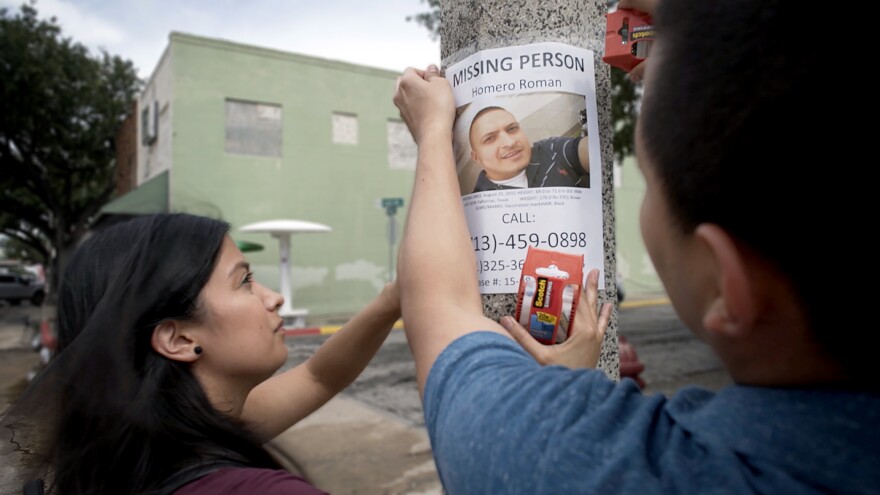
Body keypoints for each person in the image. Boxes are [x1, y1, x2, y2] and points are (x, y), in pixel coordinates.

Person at [392, 0, 878, 492]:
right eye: (489, 138)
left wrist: (434, 131)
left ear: (724, 282)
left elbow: (439, 312)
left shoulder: (591, 465)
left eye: (647, 182)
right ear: (475, 154)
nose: (507, 142)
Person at [1, 213, 400, 494]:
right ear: (175, 339)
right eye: (244, 281)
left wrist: (390, 302)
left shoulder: (122, 451)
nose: (274, 298)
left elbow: (319, 376)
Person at [468, 105, 589, 193]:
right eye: (490, 138)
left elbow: (592, 153)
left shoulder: (550, 150)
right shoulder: (477, 204)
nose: (510, 143)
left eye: (512, 129)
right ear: (476, 157)